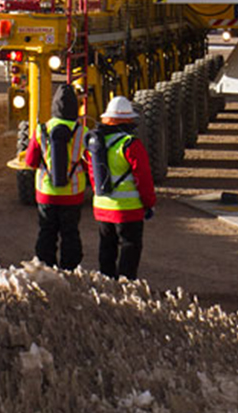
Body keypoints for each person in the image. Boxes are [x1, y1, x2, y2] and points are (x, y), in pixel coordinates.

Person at [19, 83, 89, 270]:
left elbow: (31, 161)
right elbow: (89, 163)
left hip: (46, 193)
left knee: (47, 232)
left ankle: (46, 267)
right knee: (70, 232)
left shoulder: (41, 130)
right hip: (73, 194)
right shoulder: (82, 132)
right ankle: (70, 268)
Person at [87, 95, 155, 279]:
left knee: (106, 247)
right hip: (128, 209)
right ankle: (125, 287)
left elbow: (93, 176)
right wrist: (149, 203)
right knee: (130, 247)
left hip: (102, 207)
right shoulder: (130, 144)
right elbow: (144, 178)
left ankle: (106, 285)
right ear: (127, 120)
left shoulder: (95, 144)